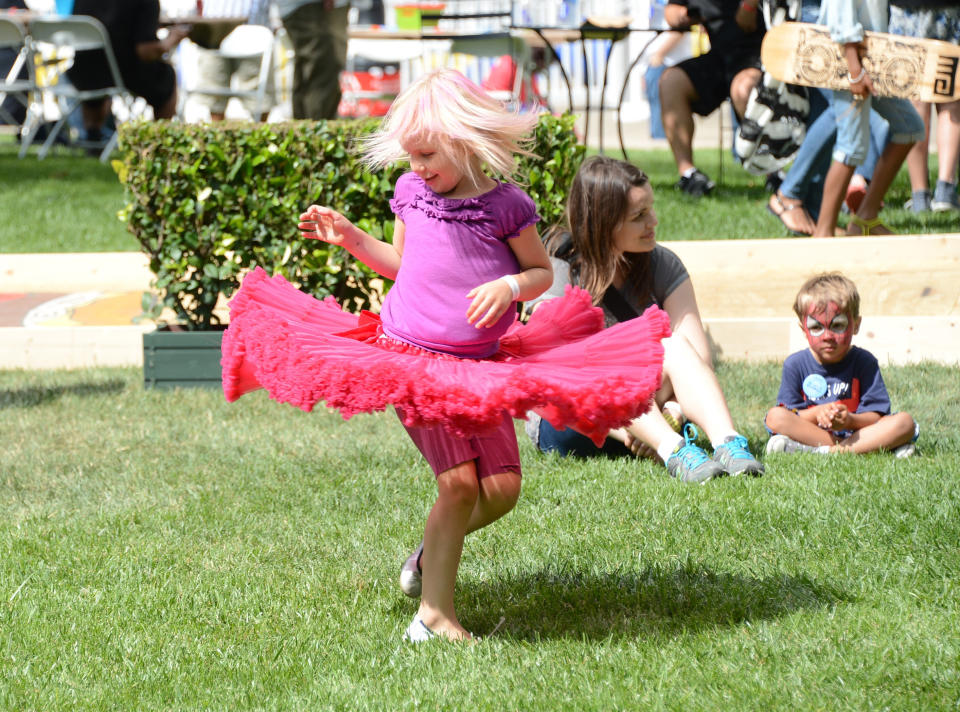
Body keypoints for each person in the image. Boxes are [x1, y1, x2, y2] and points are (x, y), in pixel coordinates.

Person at [220, 70, 672, 642]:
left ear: (463, 140)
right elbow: (402, 263)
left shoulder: (507, 206)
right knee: (458, 484)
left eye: (428, 154)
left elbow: (538, 273)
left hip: (479, 368)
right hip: (409, 358)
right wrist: (354, 238)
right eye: (411, 157)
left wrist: (509, 288)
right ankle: (434, 617)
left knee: (502, 490)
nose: (418, 168)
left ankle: (430, 555)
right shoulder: (412, 194)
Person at [525, 155, 765, 483]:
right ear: (603, 223)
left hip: (652, 412)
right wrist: (629, 431)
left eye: (650, 208)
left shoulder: (662, 264)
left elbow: (696, 355)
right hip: (575, 426)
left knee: (675, 346)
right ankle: (674, 451)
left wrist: (674, 412)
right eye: (639, 216)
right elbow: (556, 374)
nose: (653, 221)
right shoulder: (559, 269)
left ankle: (729, 444)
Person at [765, 0, 889, 236]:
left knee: (831, 113)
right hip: (827, 26)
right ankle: (793, 198)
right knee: (839, 116)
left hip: (843, 26)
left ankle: (816, 211)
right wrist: (854, 69)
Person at [765, 272, 918, 456]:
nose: (827, 336)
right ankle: (869, 448)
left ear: (855, 325)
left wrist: (849, 420)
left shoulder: (864, 361)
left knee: (904, 422)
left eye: (837, 326)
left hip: (859, 433)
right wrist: (818, 413)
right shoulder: (795, 364)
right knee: (775, 416)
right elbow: (791, 415)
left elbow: (876, 416)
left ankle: (822, 451)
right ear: (803, 329)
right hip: (815, 433)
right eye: (816, 327)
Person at [811, 0, 925, 237]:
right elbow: (840, 12)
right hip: (848, 62)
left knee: (910, 127)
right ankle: (823, 233)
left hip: (874, 64)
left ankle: (865, 218)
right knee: (851, 146)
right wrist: (854, 70)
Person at [659, 0, 765, 196]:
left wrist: (749, 6)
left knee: (744, 89)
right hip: (718, 56)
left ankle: (773, 174)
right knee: (670, 81)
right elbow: (671, 12)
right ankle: (689, 174)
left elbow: (747, 23)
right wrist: (682, 14)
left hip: (758, 54)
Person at [67, 0, 189, 138]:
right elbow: (146, 52)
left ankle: (93, 136)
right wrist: (170, 41)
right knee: (167, 75)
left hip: (84, 73)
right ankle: (160, 138)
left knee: (95, 69)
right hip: (126, 73)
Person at [889, 1, 960, 213]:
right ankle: (945, 190)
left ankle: (920, 196)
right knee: (951, 97)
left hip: (907, 8)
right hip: (950, 8)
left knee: (915, 98)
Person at [192, 0, 274, 121]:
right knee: (214, 96)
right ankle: (216, 136)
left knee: (258, 101)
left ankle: (260, 135)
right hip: (212, 31)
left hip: (253, 32)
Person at [275, 0, 350, 120]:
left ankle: (304, 129)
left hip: (307, 7)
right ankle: (317, 131)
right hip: (310, 6)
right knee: (323, 67)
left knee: (312, 67)